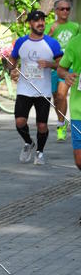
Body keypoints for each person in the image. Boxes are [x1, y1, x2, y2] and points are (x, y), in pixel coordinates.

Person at [7, 9, 62, 165]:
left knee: (42, 125)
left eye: (43, 20)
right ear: (30, 23)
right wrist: (10, 66)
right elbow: (12, 60)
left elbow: (62, 64)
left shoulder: (52, 43)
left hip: (42, 90)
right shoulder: (21, 42)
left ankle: (40, 152)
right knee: (19, 122)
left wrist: (50, 64)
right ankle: (29, 142)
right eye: (37, 20)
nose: (41, 23)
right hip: (24, 89)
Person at [48, 0, 80, 140]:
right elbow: (43, 43)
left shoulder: (75, 26)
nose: (65, 11)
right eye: (62, 9)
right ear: (56, 11)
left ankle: (63, 127)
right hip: (56, 66)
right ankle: (61, 122)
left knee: (62, 94)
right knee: (57, 98)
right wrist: (50, 32)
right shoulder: (50, 26)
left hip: (71, 66)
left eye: (67, 9)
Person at [57, 33, 81, 201]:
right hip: (78, 109)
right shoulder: (75, 42)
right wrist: (66, 75)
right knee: (79, 160)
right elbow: (61, 68)